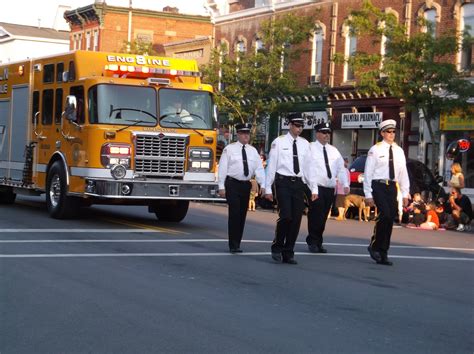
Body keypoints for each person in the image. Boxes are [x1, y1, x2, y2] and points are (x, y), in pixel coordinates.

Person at [265, 113, 310, 265]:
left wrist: (313, 188)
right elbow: (271, 166)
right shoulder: (279, 142)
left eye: (301, 126)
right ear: (290, 125)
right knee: (286, 216)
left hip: (298, 183)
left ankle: (288, 251)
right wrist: (268, 188)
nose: (299, 129)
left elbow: (308, 168)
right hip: (283, 182)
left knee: (296, 219)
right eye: (297, 125)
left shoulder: (305, 144)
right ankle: (277, 247)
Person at [364, 119, 410, 266]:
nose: (391, 134)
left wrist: (405, 193)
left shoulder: (399, 150)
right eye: (388, 132)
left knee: (390, 218)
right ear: (382, 133)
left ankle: (383, 251)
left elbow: (403, 173)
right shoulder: (375, 149)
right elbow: (368, 172)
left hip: (392, 186)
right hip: (378, 185)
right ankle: (375, 246)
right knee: (385, 214)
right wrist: (368, 194)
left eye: (393, 131)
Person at [218, 123, 265, 253]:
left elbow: (259, 168)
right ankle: (233, 244)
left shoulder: (252, 150)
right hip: (232, 184)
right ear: (238, 134)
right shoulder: (229, 149)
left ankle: (237, 242)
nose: (246, 136)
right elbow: (222, 168)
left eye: (247, 133)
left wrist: (263, 184)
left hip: (245, 184)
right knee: (234, 213)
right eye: (243, 133)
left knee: (242, 214)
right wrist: (221, 186)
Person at [305, 122, 349, 253]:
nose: (326, 135)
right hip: (316, 187)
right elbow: (308, 169)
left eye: (328, 133)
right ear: (317, 133)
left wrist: (345, 183)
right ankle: (312, 241)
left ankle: (318, 241)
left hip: (329, 188)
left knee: (323, 215)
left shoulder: (333, 150)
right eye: (324, 133)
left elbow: (341, 168)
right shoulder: (311, 148)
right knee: (315, 215)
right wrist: (312, 188)